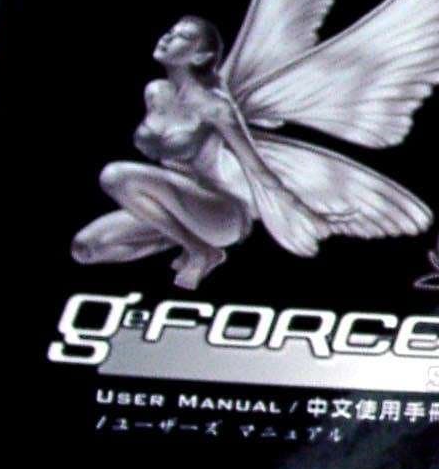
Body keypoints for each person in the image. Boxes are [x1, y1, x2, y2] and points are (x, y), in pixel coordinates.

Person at [71, 16, 331, 290]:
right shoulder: (156, 92)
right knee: (85, 248)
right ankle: (195, 246)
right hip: (175, 205)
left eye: (183, 37)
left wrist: (306, 212)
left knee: (115, 176)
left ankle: (199, 249)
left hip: (220, 213)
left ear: (201, 57)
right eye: (171, 31)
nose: (168, 37)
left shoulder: (215, 106)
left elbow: (257, 168)